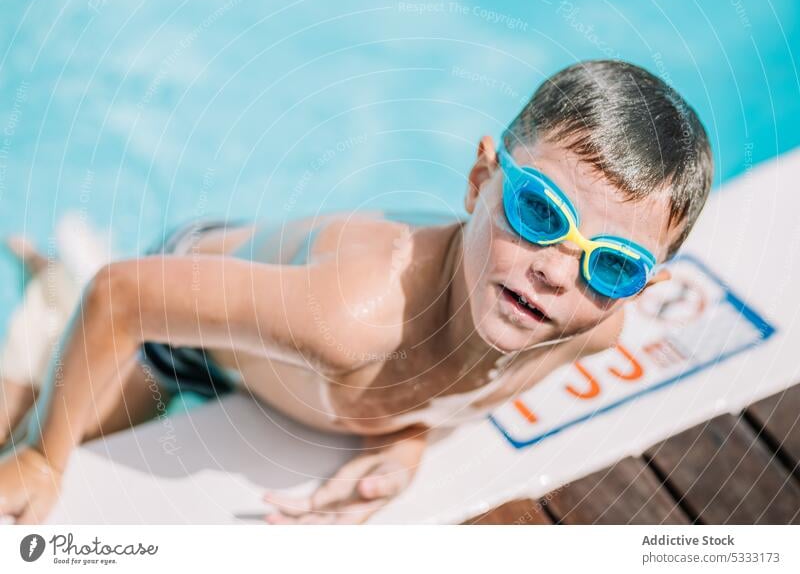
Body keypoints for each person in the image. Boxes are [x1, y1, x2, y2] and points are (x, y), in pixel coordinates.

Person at [0, 60, 713, 524]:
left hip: (280, 307)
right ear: (478, 182)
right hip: (186, 334)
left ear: (641, 286)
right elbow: (124, 295)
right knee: (29, 429)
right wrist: (40, 455)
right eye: (540, 213)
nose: (558, 271)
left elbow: (466, 378)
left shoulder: (586, 330)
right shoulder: (351, 315)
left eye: (612, 266)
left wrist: (407, 439)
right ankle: (47, 304)